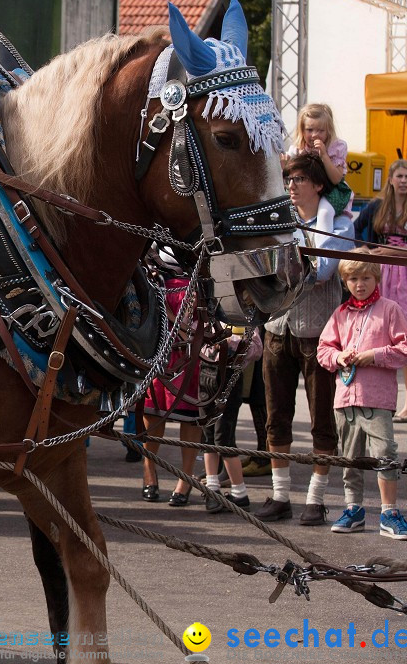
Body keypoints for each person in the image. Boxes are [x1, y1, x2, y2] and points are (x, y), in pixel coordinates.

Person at [254, 154, 355, 525]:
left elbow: (324, 272)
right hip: (278, 331)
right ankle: (281, 496)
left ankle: (316, 498)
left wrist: (280, 262)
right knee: (276, 418)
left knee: (322, 421)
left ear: (317, 185)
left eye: (298, 179)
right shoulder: (278, 222)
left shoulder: (339, 226)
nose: (291, 185)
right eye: (288, 179)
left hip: (319, 337)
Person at [317, 253, 407, 538]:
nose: (360, 284)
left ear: (377, 278)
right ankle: (353, 509)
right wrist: (339, 357)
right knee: (350, 458)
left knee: (385, 455)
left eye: (366, 278)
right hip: (345, 400)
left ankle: (390, 512)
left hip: (378, 399)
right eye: (353, 279)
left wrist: (376, 355)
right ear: (345, 281)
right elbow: (323, 350)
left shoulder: (390, 309)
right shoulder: (340, 314)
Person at [353, 159, 407, 422]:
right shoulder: (377, 206)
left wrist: (393, 251)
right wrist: (366, 250)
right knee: (379, 335)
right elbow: (357, 229)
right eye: (399, 176)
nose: (403, 181)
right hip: (381, 274)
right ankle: (377, 400)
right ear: (390, 179)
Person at [140, 274, 202, 507]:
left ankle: (184, 480)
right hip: (159, 338)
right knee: (152, 413)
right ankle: (148, 472)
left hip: (191, 340)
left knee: (190, 417)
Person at [201, 327, 262, 513]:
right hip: (205, 375)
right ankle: (212, 488)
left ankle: (240, 492)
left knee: (224, 439)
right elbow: (190, 334)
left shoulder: (242, 317)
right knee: (208, 437)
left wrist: (230, 344)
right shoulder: (207, 312)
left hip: (229, 376)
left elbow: (256, 349)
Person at [284, 103, 353, 236]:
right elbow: (289, 175)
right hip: (309, 190)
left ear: (328, 131)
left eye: (320, 131)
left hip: (332, 190)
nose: (315, 135)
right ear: (302, 131)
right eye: (310, 130)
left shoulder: (336, 147)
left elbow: (336, 179)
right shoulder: (298, 149)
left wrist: (324, 156)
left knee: (325, 213)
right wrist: (283, 165)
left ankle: (321, 248)